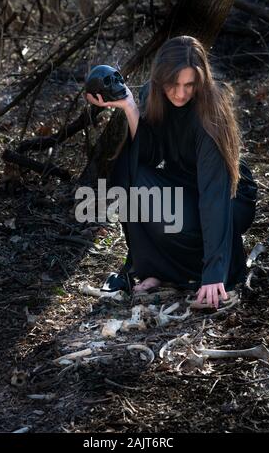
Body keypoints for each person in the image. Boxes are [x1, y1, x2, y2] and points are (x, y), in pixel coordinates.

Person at [86, 35, 257, 309]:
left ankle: (211, 265)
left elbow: (214, 194)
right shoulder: (153, 96)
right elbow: (151, 156)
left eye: (190, 85)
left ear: (200, 82)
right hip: (187, 182)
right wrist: (130, 106)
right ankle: (151, 266)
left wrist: (215, 274)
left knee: (180, 219)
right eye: (173, 84)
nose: (180, 93)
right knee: (128, 173)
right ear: (160, 79)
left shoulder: (210, 115)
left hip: (230, 196)